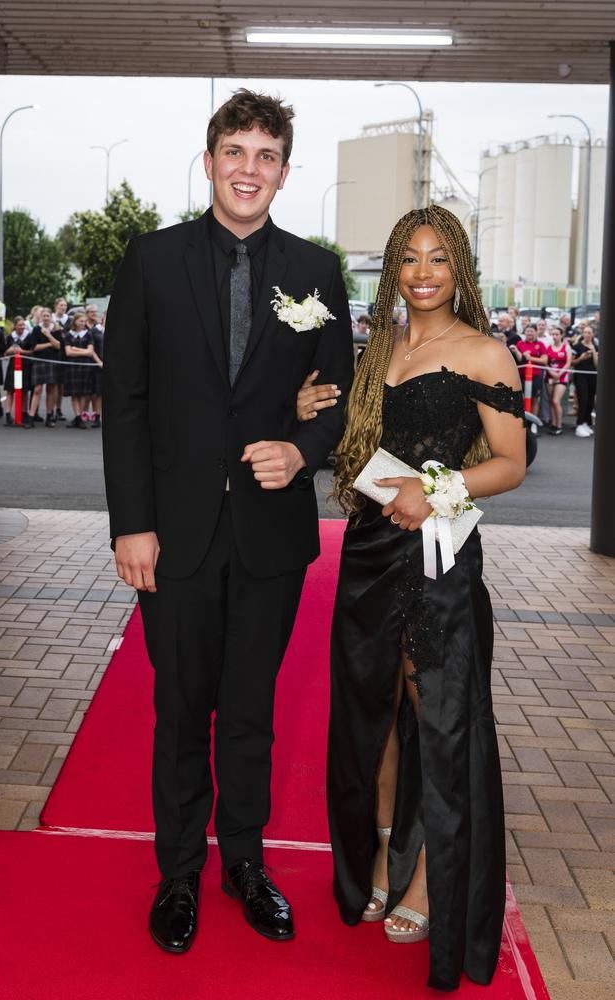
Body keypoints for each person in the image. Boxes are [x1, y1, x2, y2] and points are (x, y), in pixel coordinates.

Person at [102, 89, 353, 956]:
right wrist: (131, 524)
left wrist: (303, 448)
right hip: (170, 536)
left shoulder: (318, 274)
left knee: (251, 709)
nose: (249, 169)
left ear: (285, 171)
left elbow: (339, 399)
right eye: (235, 151)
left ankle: (246, 863)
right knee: (181, 711)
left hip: (271, 536)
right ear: (208, 162)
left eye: (267, 155)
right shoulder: (151, 260)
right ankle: (178, 873)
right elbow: (125, 402)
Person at [298, 205, 525, 991]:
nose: (423, 273)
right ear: (392, 267)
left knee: (438, 717)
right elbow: (359, 440)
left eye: (439, 259)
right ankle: (384, 856)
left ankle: (429, 881)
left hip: (438, 554)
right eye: (409, 259)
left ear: (459, 268)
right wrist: (307, 415)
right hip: (367, 550)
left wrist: (439, 492)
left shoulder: (485, 352)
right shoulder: (381, 347)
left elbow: (511, 462)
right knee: (374, 711)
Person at [27, 307, 64, 428]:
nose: (46, 318)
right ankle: (31, 416)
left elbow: (59, 346)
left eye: (48, 316)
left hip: (53, 361)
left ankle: (49, 416)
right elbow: (35, 347)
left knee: (51, 389)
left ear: (51, 317)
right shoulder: (36, 329)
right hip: (40, 361)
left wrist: (48, 335)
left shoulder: (56, 329)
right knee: (37, 389)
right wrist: (50, 344)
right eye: (44, 316)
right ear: (41, 317)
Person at [63, 312, 100, 428]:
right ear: (75, 321)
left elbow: (90, 352)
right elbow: (68, 352)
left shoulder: (88, 334)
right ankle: (78, 417)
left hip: (85, 366)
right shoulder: (69, 335)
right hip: (72, 367)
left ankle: (80, 416)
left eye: (84, 321)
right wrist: (81, 351)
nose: (83, 323)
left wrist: (75, 348)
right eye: (81, 321)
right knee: (74, 393)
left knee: (84, 392)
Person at [2, 317, 34, 427]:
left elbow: (32, 351)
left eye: (23, 325)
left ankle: (23, 413)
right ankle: (8, 415)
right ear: (15, 326)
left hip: (25, 366)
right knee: (10, 390)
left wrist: (22, 351)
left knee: (24, 390)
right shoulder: (10, 337)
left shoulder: (29, 336)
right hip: (13, 366)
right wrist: (9, 351)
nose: (22, 327)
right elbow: (5, 352)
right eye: (20, 325)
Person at [516, 324, 547, 431]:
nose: (529, 333)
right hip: (522, 375)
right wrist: (517, 351)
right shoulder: (520, 343)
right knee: (521, 398)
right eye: (527, 331)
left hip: (536, 375)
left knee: (534, 399)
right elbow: (519, 359)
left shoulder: (540, 344)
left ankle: (533, 423)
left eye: (532, 331)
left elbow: (544, 360)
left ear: (536, 332)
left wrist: (530, 357)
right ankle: (522, 421)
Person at [571, 325, 598, 437]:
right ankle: (579, 424)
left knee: (591, 399)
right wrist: (581, 358)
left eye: (589, 332)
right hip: (580, 375)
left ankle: (586, 423)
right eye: (585, 332)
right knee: (583, 398)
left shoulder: (596, 346)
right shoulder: (577, 346)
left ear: (593, 334)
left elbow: (597, 365)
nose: (587, 335)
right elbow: (572, 362)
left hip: (592, 376)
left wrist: (593, 352)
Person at [544, 326, 572, 434]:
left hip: (562, 376)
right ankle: (554, 424)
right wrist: (551, 372)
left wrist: (559, 373)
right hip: (550, 376)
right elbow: (546, 362)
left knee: (556, 400)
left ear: (561, 335)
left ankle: (559, 426)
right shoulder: (549, 347)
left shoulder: (566, 347)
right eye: (553, 334)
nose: (555, 336)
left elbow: (568, 362)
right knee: (551, 401)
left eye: (557, 334)